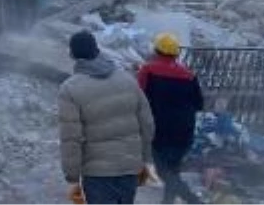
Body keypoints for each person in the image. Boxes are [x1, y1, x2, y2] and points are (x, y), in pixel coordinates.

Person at [59, 30, 155, 205]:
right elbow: (147, 123)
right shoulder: (127, 79)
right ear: (97, 50)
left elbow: (71, 137)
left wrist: (72, 174)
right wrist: (145, 158)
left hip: (97, 174)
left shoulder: (70, 89)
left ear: (72, 55)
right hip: (129, 168)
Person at [137, 33, 204, 205]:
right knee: (173, 169)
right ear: (176, 53)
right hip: (185, 131)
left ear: (156, 51)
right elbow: (199, 104)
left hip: (159, 130)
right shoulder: (189, 75)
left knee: (162, 171)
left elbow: (139, 98)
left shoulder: (148, 70)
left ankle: (194, 200)